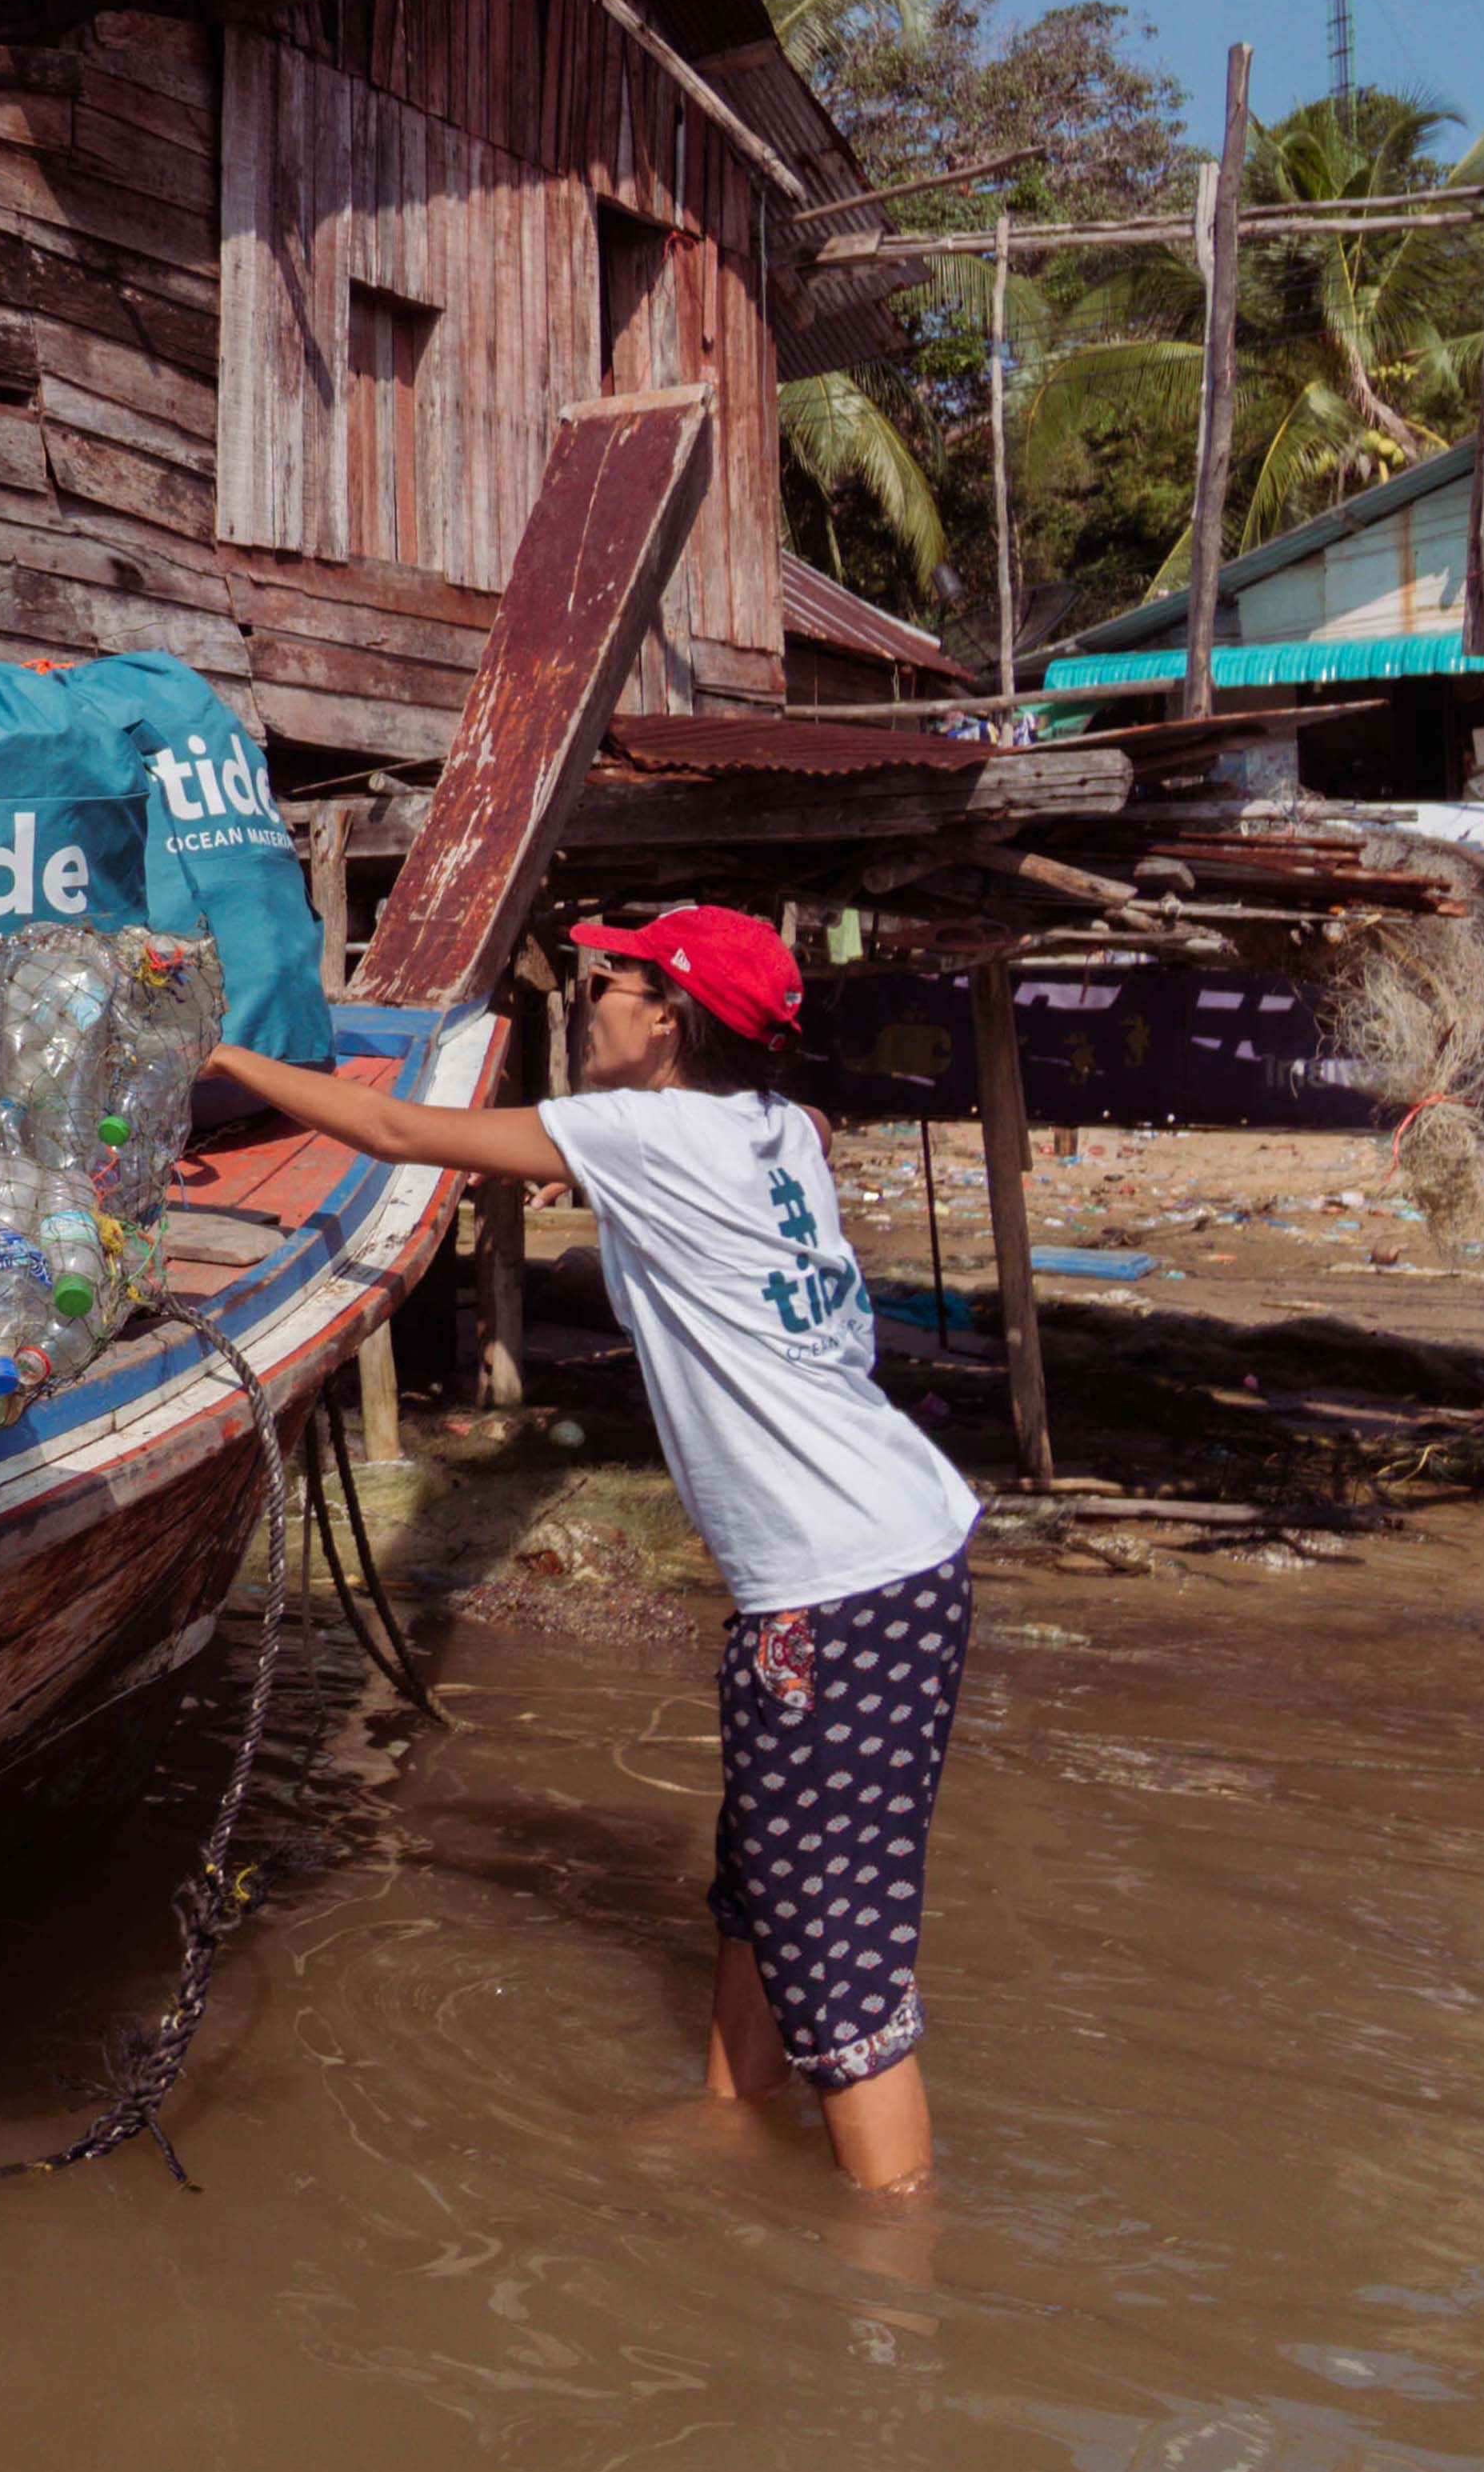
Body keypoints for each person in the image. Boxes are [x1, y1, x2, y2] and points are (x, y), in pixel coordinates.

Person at [206, 905, 982, 2194]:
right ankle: (733, 2111)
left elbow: (400, 1130)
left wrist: (226, 1065)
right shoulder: (778, 1130)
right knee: (765, 1880)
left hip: (835, 1590)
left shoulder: (644, 1132)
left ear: (668, 1021)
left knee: (839, 1962)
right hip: (903, 1550)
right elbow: (784, 1136)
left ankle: (892, 2278)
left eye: (612, 978)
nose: (592, 995)